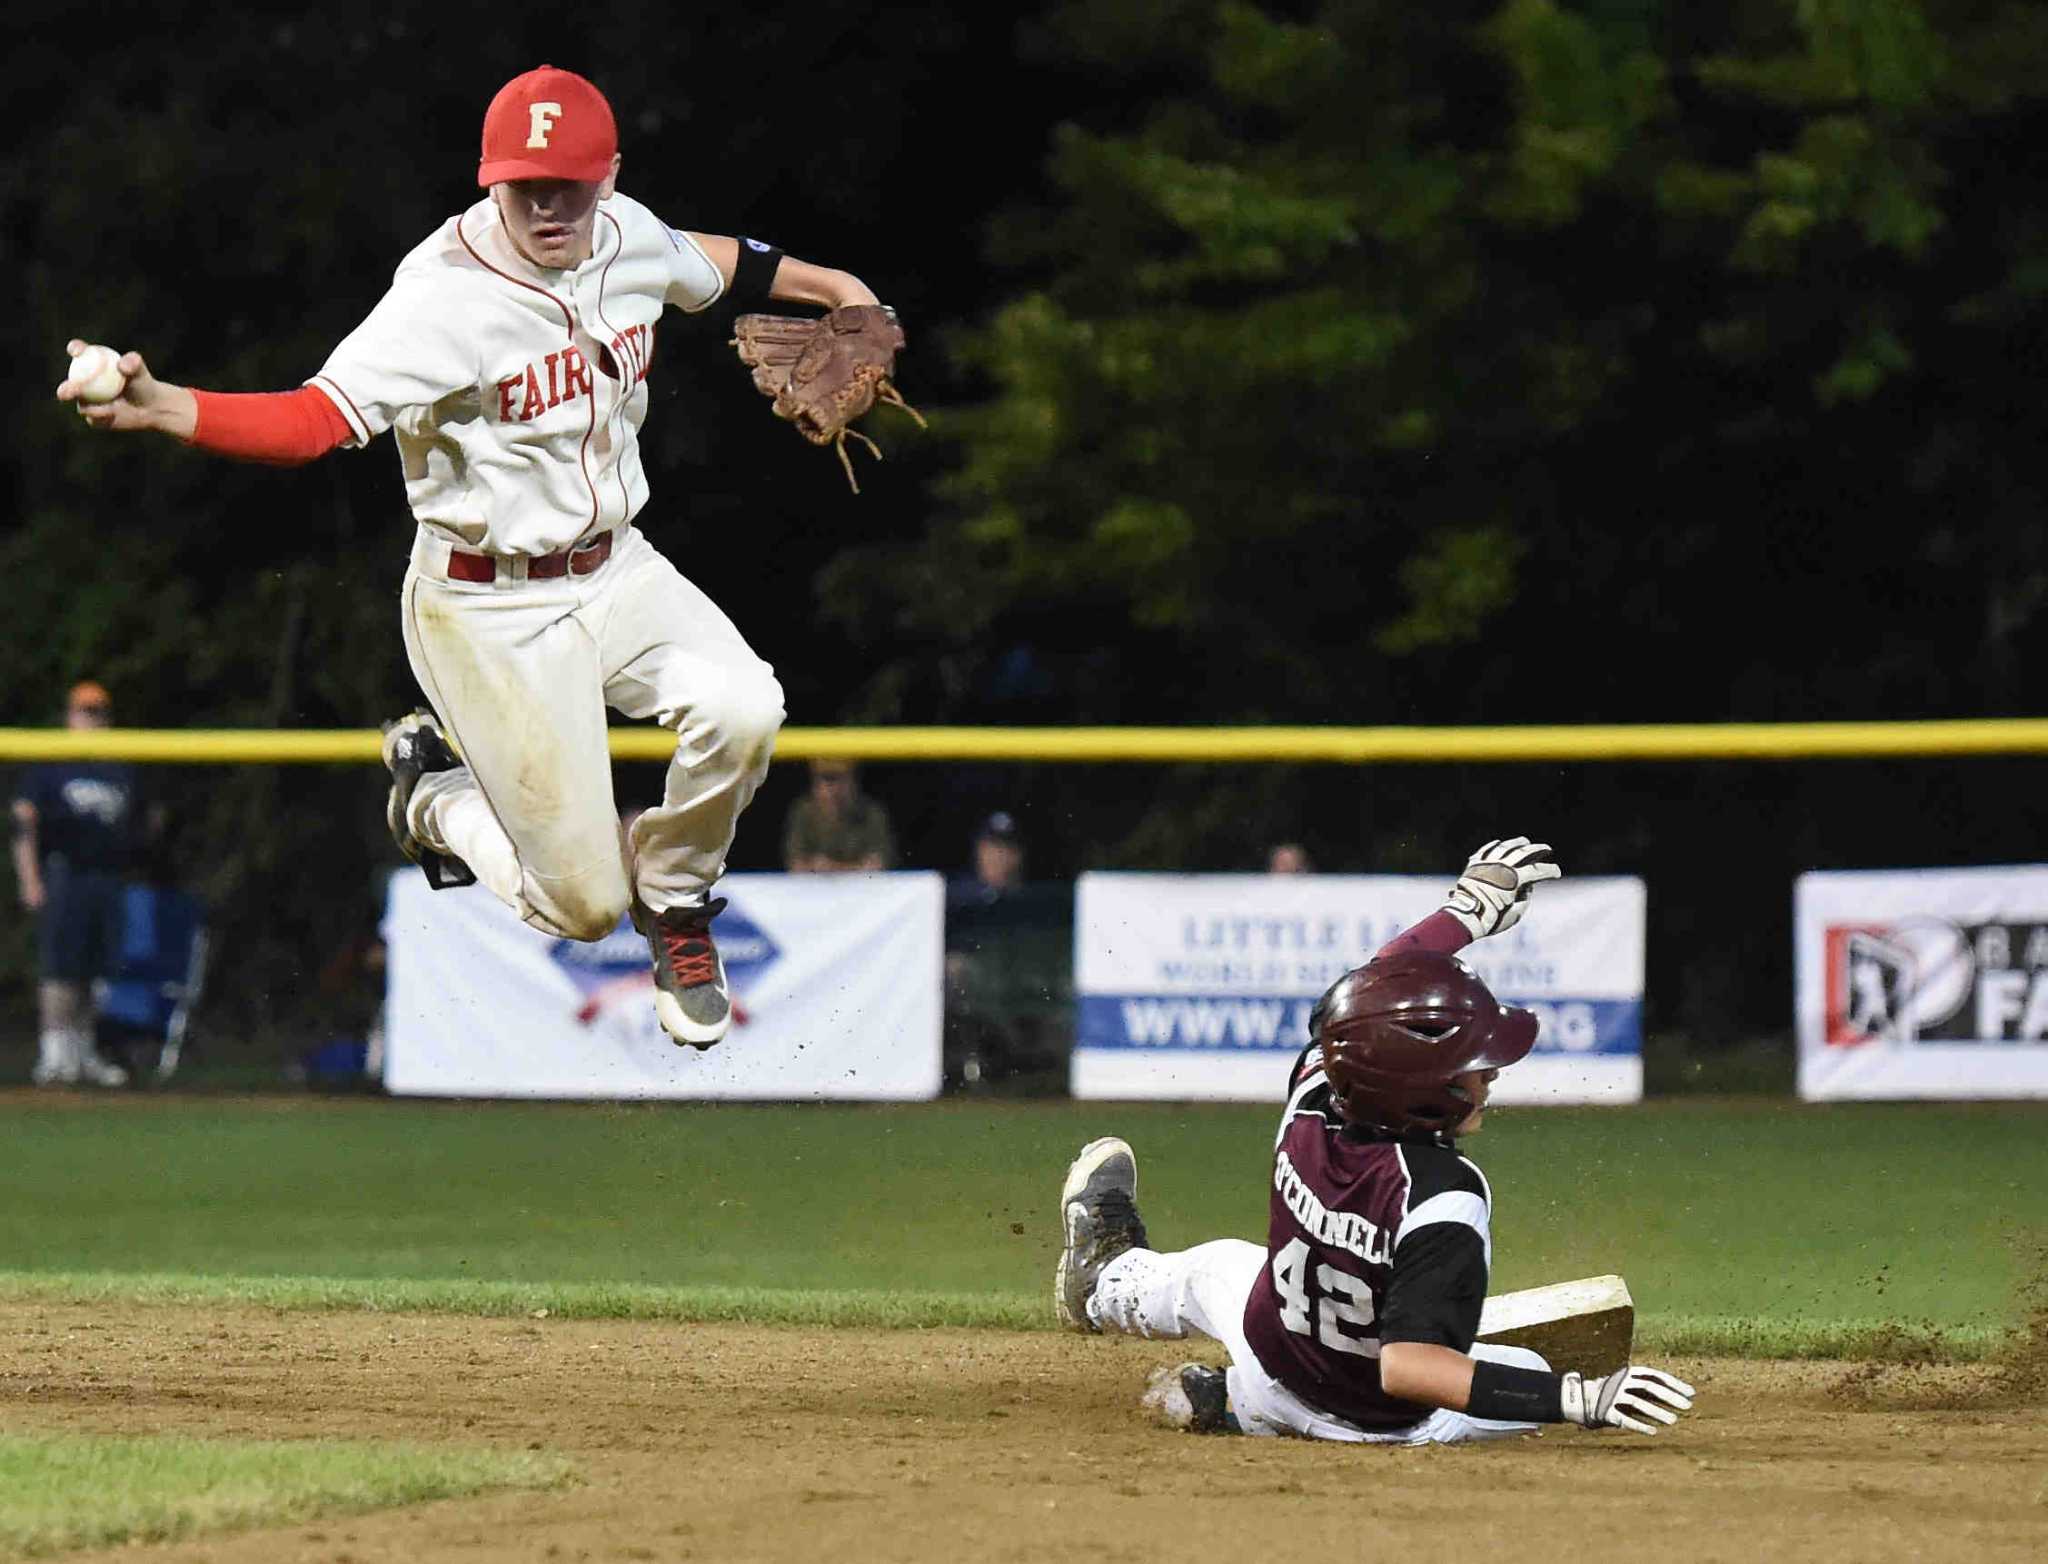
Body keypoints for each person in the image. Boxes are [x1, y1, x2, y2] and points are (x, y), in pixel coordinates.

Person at [57, 66, 899, 1050]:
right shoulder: (440, 298)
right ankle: (435, 798)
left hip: (614, 568)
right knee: (582, 908)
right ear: (486, 181)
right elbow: (308, 422)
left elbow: (713, 264)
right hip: (484, 609)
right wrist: (162, 405)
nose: (546, 203)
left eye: (569, 183)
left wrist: (837, 287)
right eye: (522, 183)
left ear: (609, 176)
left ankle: (674, 899)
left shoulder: (625, 234)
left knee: (746, 707)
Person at [1053, 837, 1697, 1445]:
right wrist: (1574, 1399)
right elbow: (1410, 1370)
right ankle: (1232, 1407)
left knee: (1213, 1267)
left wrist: (1464, 913)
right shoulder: (1445, 1194)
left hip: (1270, 1358)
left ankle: (1106, 1284)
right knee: (1523, 1364)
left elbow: (1364, 996)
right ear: (1420, 1088)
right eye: (1473, 1064)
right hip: (1376, 1428)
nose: (1492, 1072)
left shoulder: (1314, 1096)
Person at [10, 681, 149, 1087]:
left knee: (97, 972)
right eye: (85, 712)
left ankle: (84, 1050)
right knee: (60, 969)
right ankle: (54, 1054)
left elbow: (139, 823)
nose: (93, 720)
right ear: (70, 716)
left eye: (99, 713)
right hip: (65, 873)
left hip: (107, 878)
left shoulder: (119, 764)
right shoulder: (53, 761)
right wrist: (29, 877)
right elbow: (23, 818)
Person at [782, 760, 895, 872]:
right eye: (827, 779)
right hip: (815, 889)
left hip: (861, 888)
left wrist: (830, 867)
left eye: (841, 779)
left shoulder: (871, 813)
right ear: (815, 783)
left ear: (853, 781)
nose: (835, 789)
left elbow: (877, 866)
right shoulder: (802, 812)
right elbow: (796, 865)